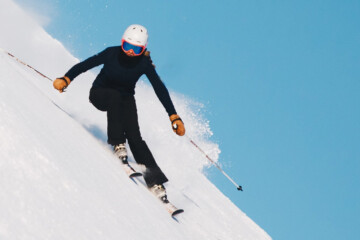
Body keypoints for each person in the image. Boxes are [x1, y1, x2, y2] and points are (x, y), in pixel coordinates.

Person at [53, 24, 185, 201]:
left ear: (143, 49)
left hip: (125, 99)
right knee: (115, 96)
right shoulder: (111, 53)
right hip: (100, 94)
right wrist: (66, 78)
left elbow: (159, 88)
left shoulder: (143, 64)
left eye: (136, 49)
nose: (130, 52)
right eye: (127, 46)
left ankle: (155, 182)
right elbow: (86, 65)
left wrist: (173, 115)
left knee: (136, 136)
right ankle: (118, 143)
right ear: (122, 43)